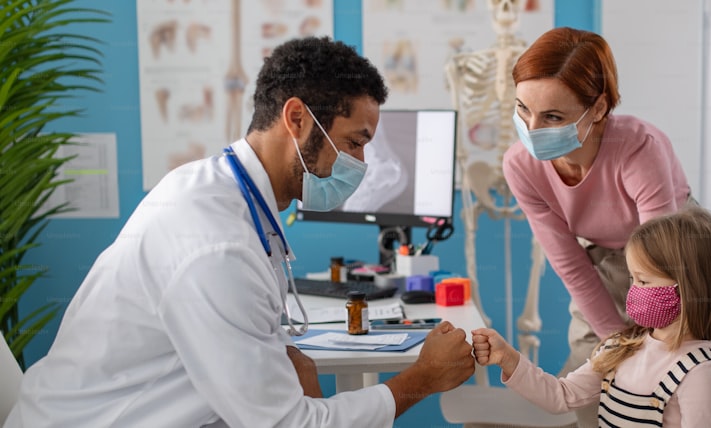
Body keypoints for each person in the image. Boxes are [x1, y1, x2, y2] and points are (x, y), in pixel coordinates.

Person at [4, 36, 474, 427]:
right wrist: (422, 378)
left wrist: (288, 364)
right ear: (297, 119)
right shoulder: (215, 242)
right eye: (354, 143)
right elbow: (287, 425)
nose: (361, 165)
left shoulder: (223, 192)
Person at [502, 26, 693, 425]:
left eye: (552, 116)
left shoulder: (640, 149)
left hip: (674, 250)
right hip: (605, 249)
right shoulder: (520, 165)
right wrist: (615, 343)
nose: (532, 129)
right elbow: (570, 263)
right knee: (593, 359)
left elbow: (658, 268)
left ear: (600, 108)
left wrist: (646, 349)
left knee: (668, 369)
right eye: (523, 108)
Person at [472, 207, 711, 427]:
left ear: (687, 288)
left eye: (643, 280)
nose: (633, 290)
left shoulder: (698, 375)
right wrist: (508, 358)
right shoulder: (620, 348)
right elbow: (561, 395)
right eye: (632, 279)